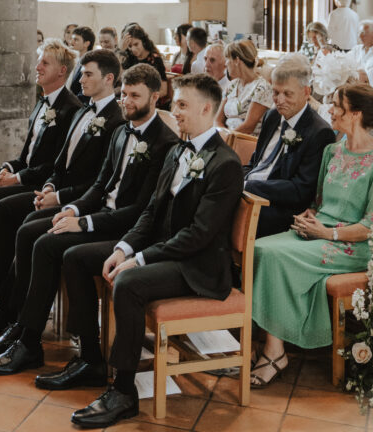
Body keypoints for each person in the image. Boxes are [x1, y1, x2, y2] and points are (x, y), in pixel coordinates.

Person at [61, 74, 243, 427]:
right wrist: (122, 248)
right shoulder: (178, 150)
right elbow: (151, 211)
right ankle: (90, 359)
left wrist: (139, 260)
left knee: (130, 283)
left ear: (207, 109)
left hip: (198, 266)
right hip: (169, 252)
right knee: (77, 257)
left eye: (183, 105)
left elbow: (198, 235)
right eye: (175, 103)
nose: (174, 111)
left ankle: (124, 391)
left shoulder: (226, 164)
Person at [0, 64, 179, 376]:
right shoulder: (121, 131)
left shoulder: (165, 143)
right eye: (124, 94)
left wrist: (84, 224)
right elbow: (100, 186)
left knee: (49, 246)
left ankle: (34, 343)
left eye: (135, 95)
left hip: (126, 228)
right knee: (30, 231)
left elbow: (142, 211)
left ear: (155, 97)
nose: (126, 101)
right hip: (101, 214)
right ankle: (19, 325)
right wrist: (72, 210)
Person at [0, 50, 124, 336]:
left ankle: (7, 308)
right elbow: (59, 163)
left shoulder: (115, 123)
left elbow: (99, 182)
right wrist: (48, 186)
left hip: (81, 202)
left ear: (109, 79)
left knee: (13, 216)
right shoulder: (85, 111)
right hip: (59, 191)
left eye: (87, 74)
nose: (80, 79)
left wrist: (59, 198)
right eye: (81, 73)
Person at [250, 82, 373, 388]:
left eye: (336, 105)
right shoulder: (332, 150)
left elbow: (370, 227)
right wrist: (310, 216)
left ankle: (274, 352)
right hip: (319, 232)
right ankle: (274, 342)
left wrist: (328, 232)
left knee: (274, 255)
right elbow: (318, 202)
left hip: (353, 245)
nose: (329, 110)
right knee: (260, 247)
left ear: (356, 114)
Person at [0, 39, 82, 296]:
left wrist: (17, 179)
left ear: (62, 71)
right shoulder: (42, 102)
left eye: (45, 62)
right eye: (38, 61)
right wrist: (8, 170)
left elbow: (54, 165)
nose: (37, 67)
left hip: (41, 184)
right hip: (25, 173)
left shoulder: (70, 109)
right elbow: (26, 154)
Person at [243, 53, 335, 238]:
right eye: (276, 92)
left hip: (280, 208)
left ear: (306, 92)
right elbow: (256, 163)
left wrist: (249, 186)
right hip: (250, 192)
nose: (280, 100)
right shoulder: (272, 116)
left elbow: (300, 190)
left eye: (288, 94)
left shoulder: (319, 132)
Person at [216, 39, 273, 135]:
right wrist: (221, 137)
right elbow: (217, 120)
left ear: (237, 60)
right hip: (226, 138)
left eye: (227, 59)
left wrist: (226, 139)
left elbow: (248, 127)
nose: (225, 64)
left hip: (246, 142)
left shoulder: (262, 88)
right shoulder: (231, 85)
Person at [121, 24, 167, 94]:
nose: (133, 49)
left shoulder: (155, 59)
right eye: (130, 46)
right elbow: (122, 80)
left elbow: (163, 91)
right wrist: (121, 51)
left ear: (143, 42)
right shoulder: (129, 57)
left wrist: (145, 97)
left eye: (136, 44)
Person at [68, 26, 96, 99]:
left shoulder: (90, 64)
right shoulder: (76, 60)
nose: (71, 42)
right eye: (72, 39)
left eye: (76, 40)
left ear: (86, 44)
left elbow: (85, 93)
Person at [347, 19, 373, 86]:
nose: (360, 36)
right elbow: (344, 62)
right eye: (359, 33)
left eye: (364, 33)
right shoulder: (356, 49)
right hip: (353, 87)